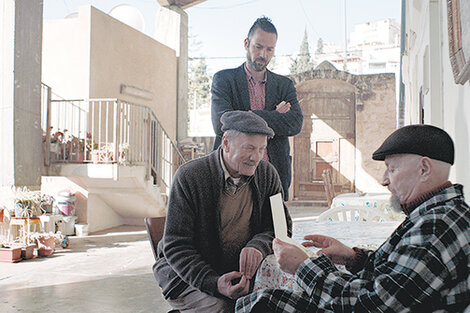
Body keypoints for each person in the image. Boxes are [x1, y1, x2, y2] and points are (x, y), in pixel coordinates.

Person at [236, 124, 470, 312]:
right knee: (265, 301)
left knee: (266, 304)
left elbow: (373, 305)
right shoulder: (436, 213)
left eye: (392, 169)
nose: (384, 180)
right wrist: (353, 257)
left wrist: (303, 267)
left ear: (424, 169)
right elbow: (396, 277)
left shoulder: (437, 226)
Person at [154, 111, 293, 313]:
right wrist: (213, 282)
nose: (256, 157)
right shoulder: (190, 176)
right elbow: (176, 246)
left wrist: (258, 246)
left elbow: (281, 227)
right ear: (226, 143)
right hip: (187, 275)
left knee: (279, 303)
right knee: (225, 308)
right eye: (249, 148)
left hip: (236, 272)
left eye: (262, 149)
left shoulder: (267, 174)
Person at [211, 17, 303, 201]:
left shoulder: (284, 85)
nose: (263, 54)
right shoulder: (224, 80)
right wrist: (275, 116)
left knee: (275, 229)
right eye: (258, 46)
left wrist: (250, 115)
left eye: (270, 49)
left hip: (274, 177)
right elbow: (221, 123)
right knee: (232, 229)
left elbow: (295, 123)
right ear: (246, 43)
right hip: (232, 176)